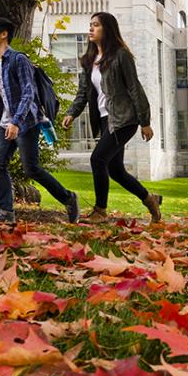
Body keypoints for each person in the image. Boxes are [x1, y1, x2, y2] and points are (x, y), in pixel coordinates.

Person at [62, 12, 162, 223]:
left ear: (107, 29)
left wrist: (145, 122)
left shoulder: (121, 55)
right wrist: (72, 113)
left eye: (96, 25)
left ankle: (100, 210)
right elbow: (83, 93)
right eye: (90, 25)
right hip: (106, 120)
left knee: (97, 159)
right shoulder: (89, 61)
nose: (91, 29)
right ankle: (150, 199)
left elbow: (135, 88)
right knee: (115, 170)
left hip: (124, 120)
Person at [0, 17, 80, 224]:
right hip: (4, 123)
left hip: (26, 122)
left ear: (3, 34)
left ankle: (68, 197)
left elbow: (29, 93)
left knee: (31, 169)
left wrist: (16, 122)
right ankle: (6, 213)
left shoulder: (19, 59)